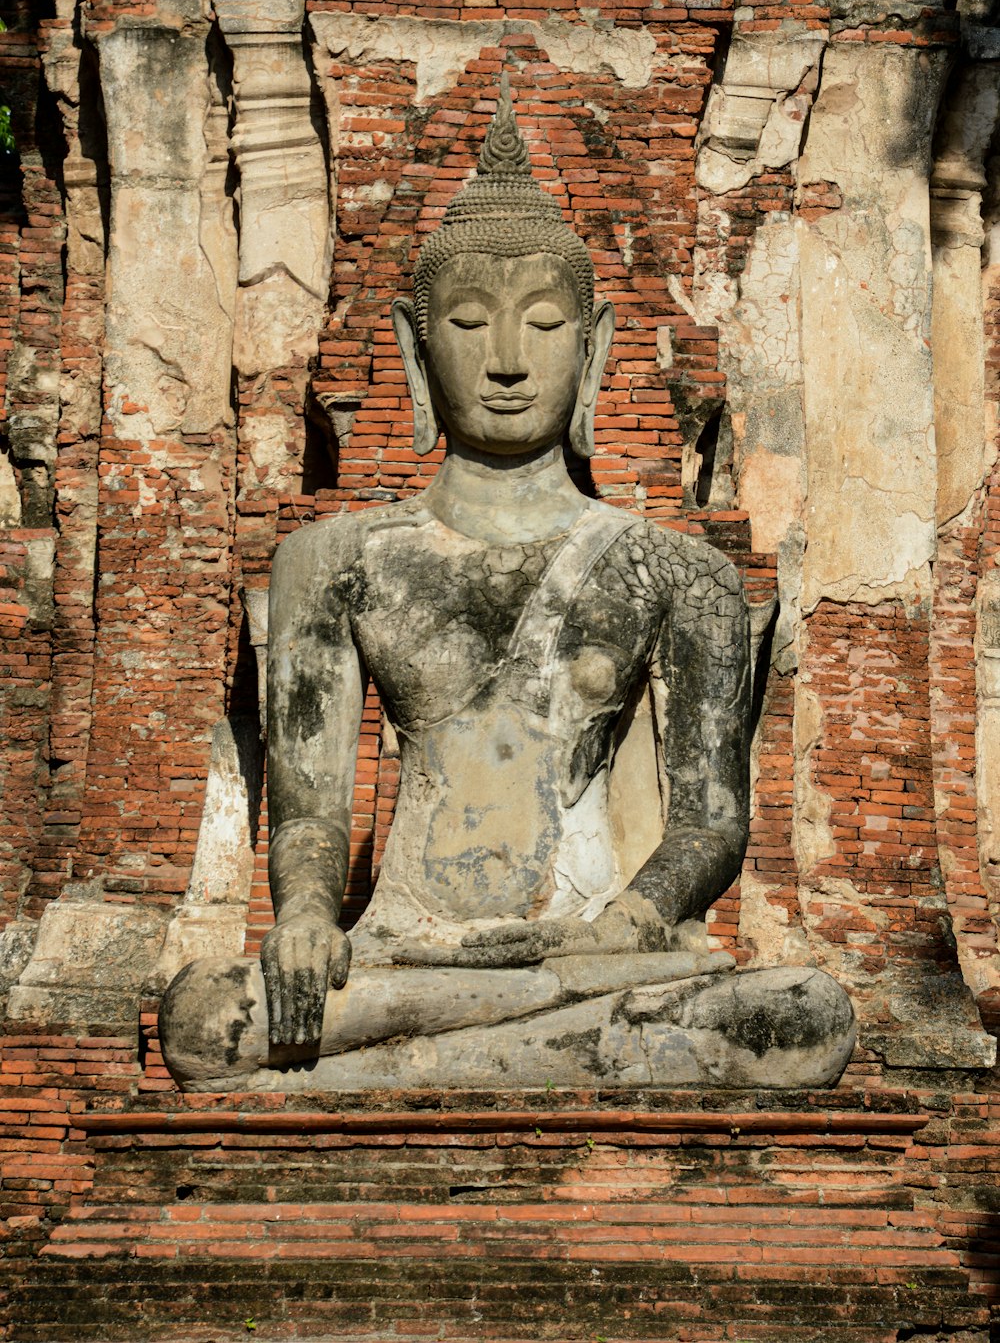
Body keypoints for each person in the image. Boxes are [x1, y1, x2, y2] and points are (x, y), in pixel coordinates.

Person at [160, 78, 855, 1090]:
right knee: (203, 1019)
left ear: (596, 344)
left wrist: (631, 919)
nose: (506, 361)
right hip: (403, 950)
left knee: (801, 1016)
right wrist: (309, 919)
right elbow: (309, 813)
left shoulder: (679, 573)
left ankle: (391, 1074)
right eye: (471, 323)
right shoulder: (336, 561)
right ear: (412, 344)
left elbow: (710, 823)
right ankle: (525, 1055)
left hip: (590, 953)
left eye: (540, 322)